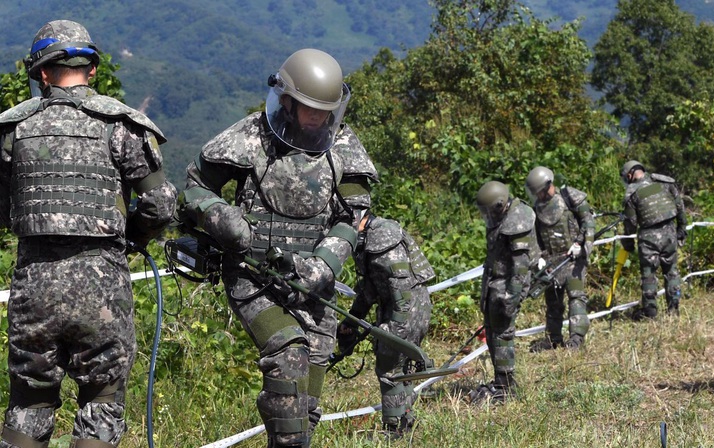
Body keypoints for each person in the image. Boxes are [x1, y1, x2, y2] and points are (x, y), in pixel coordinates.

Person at [180, 48, 378, 447]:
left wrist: (324, 265)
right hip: (255, 280)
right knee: (288, 354)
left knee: (306, 405)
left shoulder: (341, 147)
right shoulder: (250, 138)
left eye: (326, 111)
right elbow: (196, 187)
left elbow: (355, 216)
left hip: (315, 285)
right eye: (309, 110)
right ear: (286, 101)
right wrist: (223, 218)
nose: (319, 120)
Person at [0, 20, 177, 448]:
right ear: (92, 69)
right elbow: (162, 204)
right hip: (103, 287)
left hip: (34, 284)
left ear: (42, 73)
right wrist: (131, 237)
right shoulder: (122, 126)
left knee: (30, 402)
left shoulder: (12, 130)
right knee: (101, 402)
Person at [336, 212, 434, 439]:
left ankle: (395, 429)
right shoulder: (365, 239)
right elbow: (369, 288)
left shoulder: (384, 237)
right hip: (394, 307)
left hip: (407, 309)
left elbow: (402, 290)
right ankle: (404, 421)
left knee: (389, 368)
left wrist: (393, 328)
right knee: (395, 367)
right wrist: (352, 319)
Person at [469, 181, 538, 405]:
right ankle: (501, 380)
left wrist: (511, 297)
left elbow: (520, 268)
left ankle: (506, 386)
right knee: (492, 332)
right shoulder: (501, 217)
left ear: (500, 206)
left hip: (506, 285)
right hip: (494, 281)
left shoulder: (516, 221)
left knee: (502, 334)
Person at [525, 166, 595, 351]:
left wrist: (581, 244)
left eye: (539, 192)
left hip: (573, 257)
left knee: (576, 297)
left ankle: (576, 339)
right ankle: (553, 338)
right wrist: (538, 257)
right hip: (551, 262)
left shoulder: (569, 197)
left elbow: (588, 222)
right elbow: (535, 236)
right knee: (553, 302)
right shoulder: (536, 209)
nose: (538, 196)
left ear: (548, 185)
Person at [619, 160, 687, 320]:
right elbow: (680, 207)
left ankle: (650, 312)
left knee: (648, 275)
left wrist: (627, 244)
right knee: (672, 272)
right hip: (670, 232)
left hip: (648, 237)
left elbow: (631, 223)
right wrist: (682, 228)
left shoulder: (632, 194)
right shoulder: (664, 182)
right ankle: (674, 310)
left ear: (629, 175)